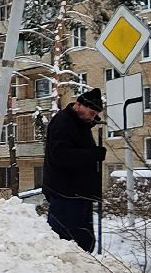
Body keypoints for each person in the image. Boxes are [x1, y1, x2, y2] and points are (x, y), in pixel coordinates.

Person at [42, 87, 109, 252]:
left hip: (78, 193)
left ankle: (81, 264)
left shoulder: (79, 123)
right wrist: (93, 154)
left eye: (95, 114)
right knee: (65, 243)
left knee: (83, 241)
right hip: (66, 194)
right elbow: (61, 156)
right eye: (91, 113)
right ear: (79, 105)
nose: (93, 117)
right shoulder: (62, 123)